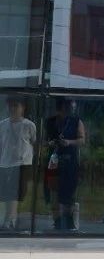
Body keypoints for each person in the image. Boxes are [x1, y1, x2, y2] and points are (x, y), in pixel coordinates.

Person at [46, 97, 86, 231]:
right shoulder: (50, 121)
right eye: (62, 107)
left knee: (69, 192)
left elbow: (82, 139)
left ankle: (69, 220)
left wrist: (69, 142)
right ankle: (57, 220)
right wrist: (51, 143)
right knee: (53, 191)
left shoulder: (76, 121)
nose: (65, 110)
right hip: (54, 160)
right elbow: (45, 140)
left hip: (70, 160)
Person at [0, 96, 37, 230]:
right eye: (10, 106)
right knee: (6, 193)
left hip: (22, 163)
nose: (13, 109)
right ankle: (8, 219)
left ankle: (11, 220)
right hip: (5, 163)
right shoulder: (2, 124)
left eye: (16, 106)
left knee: (15, 192)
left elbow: (34, 141)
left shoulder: (29, 125)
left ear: (23, 108)